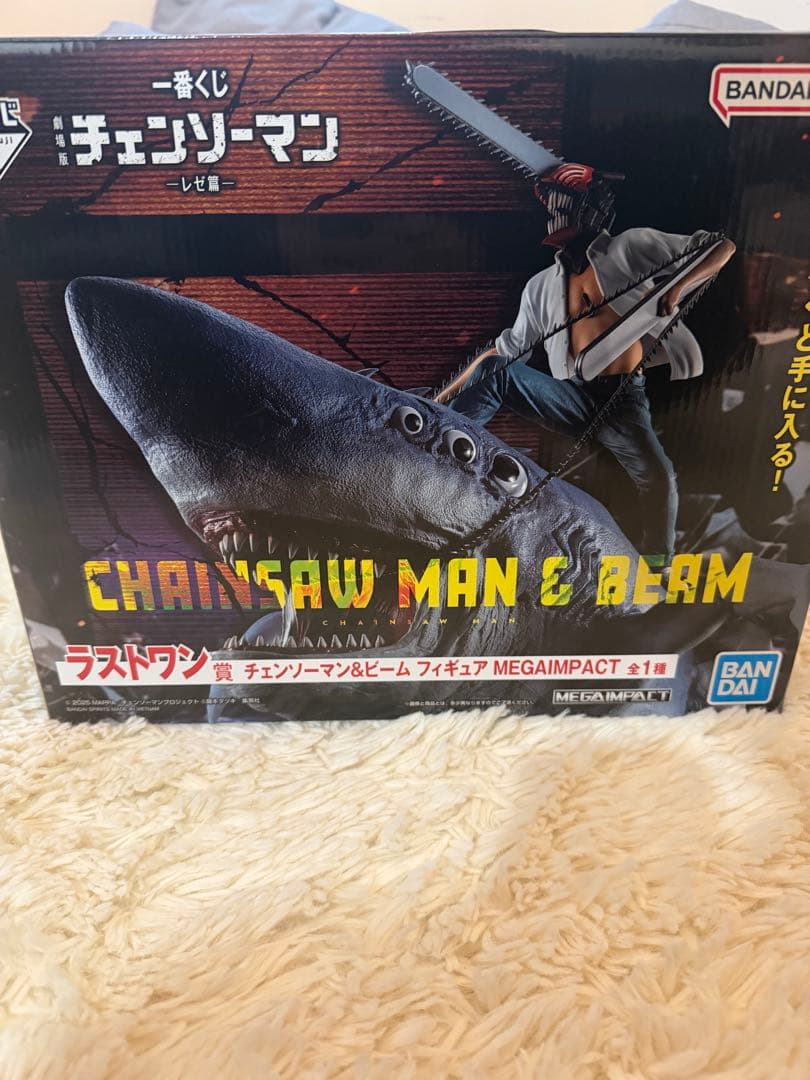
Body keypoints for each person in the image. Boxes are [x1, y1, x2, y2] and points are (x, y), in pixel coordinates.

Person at [439, 162, 736, 564]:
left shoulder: (630, 247)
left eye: (564, 203)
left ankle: (658, 562)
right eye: (551, 206)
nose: (555, 213)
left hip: (621, 401)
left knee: (659, 475)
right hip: (571, 397)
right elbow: (503, 351)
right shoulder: (540, 287)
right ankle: (438, 451)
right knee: (497, 373)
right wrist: (438, 400)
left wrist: (677, 288)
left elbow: (721, 247)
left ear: (591, 208)